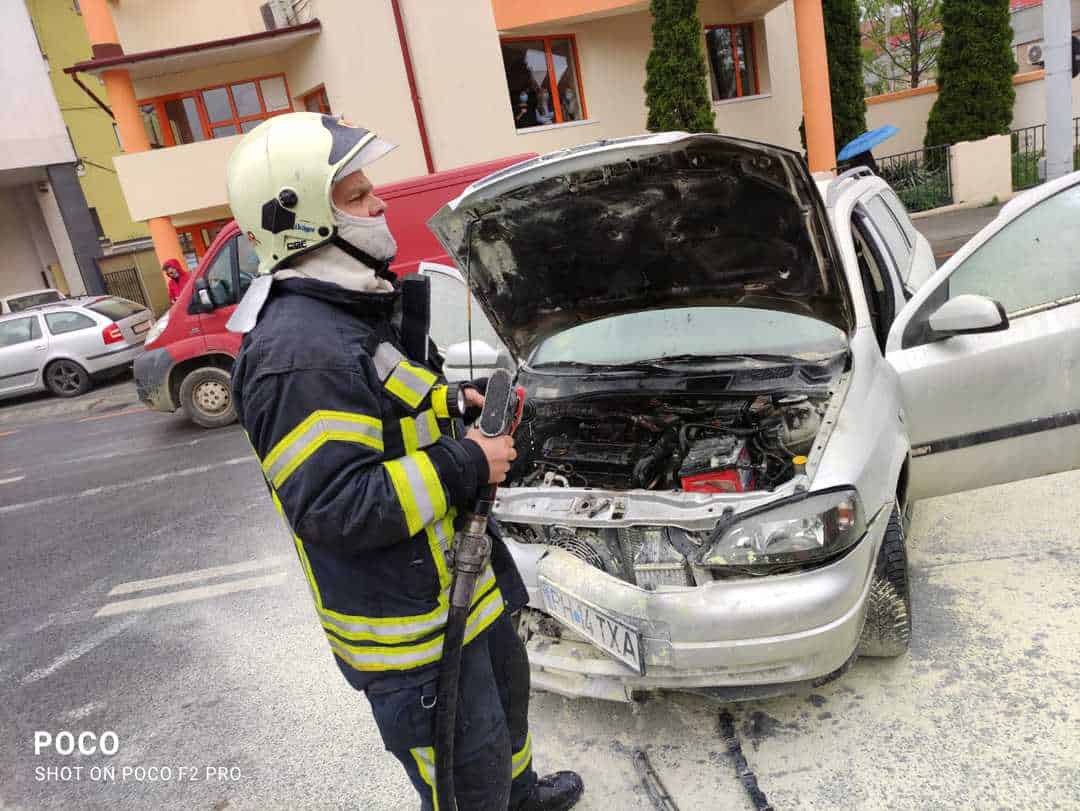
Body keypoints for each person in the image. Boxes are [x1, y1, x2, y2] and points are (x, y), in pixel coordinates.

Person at [223, 112, 584, 811]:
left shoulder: (348, 311)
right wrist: (469, 462)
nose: (380, 202)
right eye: (357, 196)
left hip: (458, 588)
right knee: (464, 780)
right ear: (303, 221)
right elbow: (337, 504)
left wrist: (453, 402)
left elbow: (389, 398)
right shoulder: (299, 355)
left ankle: (523, 795)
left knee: (505, 725)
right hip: (409, 632)